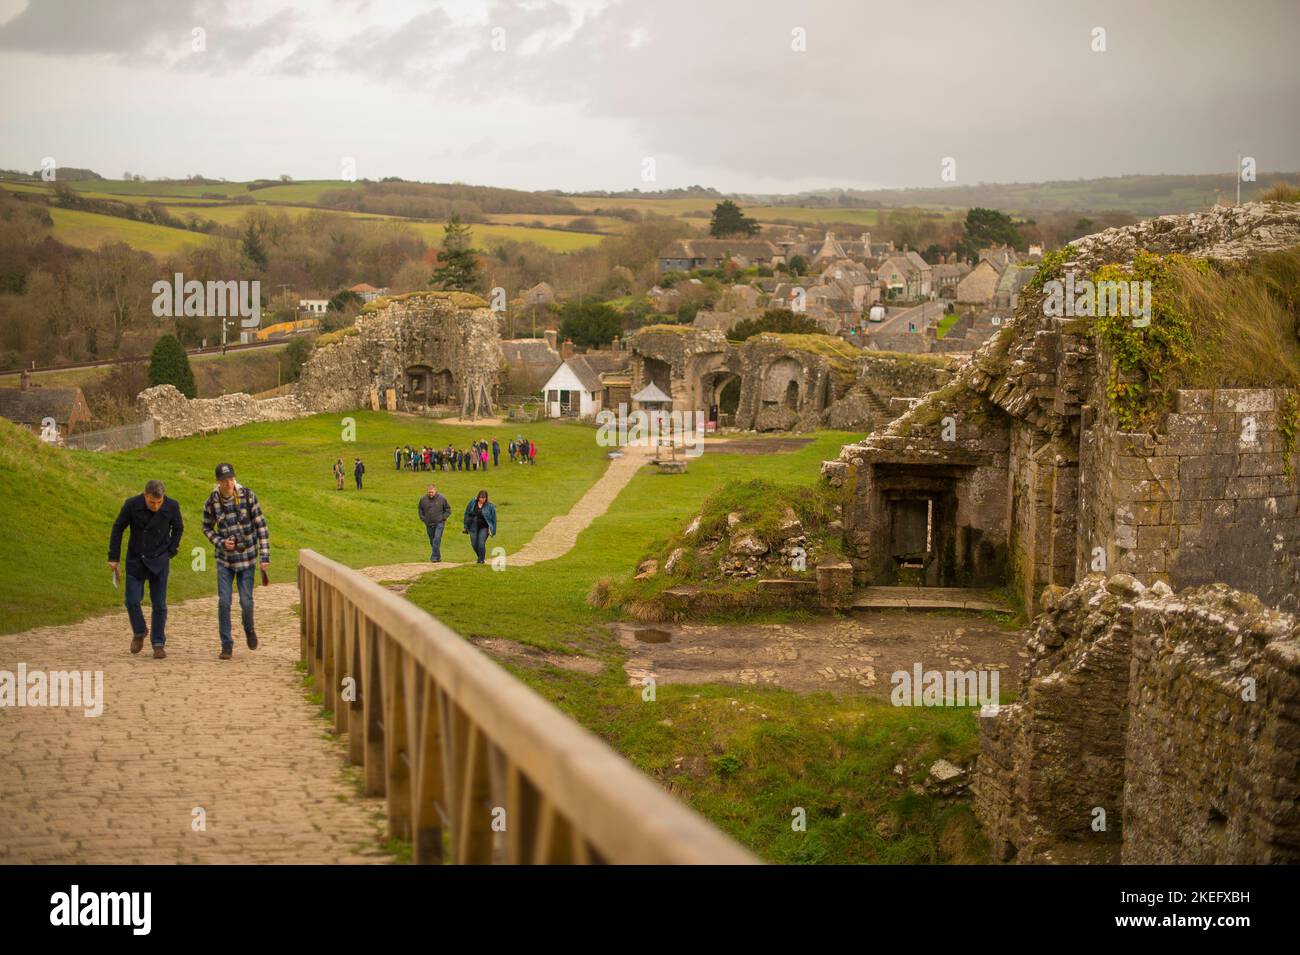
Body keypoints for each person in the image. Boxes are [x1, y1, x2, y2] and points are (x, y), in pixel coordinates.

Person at [108, 479, 183, 660]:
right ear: (145, 495)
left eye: (159, 502)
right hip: (136, 559)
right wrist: (113, 557)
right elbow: (118, 528)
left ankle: (158, 643)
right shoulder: (132, 505)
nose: (156, 506)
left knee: (159, 604)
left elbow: (178, 528)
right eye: (152, 502)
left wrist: (170, 552)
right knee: (132, 600)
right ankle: (139, 631)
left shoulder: (172, 506)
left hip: (160, 560)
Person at [202, 462, 270, 660]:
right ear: (218, 482)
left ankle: (249, 629)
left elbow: (262, 527)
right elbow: (206, 527)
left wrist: (264, 556)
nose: (229, 483)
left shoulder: (248, 496)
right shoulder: (212, 502)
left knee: (246, 602)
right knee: (224, 602)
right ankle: (226, 644)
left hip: (247, 558)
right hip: (225, 561)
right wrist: (221, 542)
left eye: (231, 479)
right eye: (224, 481)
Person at [462, 489, 497, 564]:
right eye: (480, 497)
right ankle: (480, 558)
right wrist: (465, 526)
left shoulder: (490, 506)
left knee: (481, 543)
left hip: (484, 527)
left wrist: (493, 530)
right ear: (478, 497)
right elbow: (466, 513)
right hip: (473, 527)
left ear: (486, 498)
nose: (481, 499)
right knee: (474, 544)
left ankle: (481, 560)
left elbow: (494, 519)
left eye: (483, 498)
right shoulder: (472, 503)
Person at [419, 483, 452, 562]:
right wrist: (423, 518)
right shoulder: (423, 499)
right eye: (429, 492)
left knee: (436, 539)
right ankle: (438, 557)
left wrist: (443, 518)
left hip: (439, 523)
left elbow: (448, 509)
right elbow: (420, 509)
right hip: (428, 523)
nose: (430, 494)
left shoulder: (442, 498)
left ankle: (433, 557)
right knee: (432, 541)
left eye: (432, 492)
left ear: (435, 491)